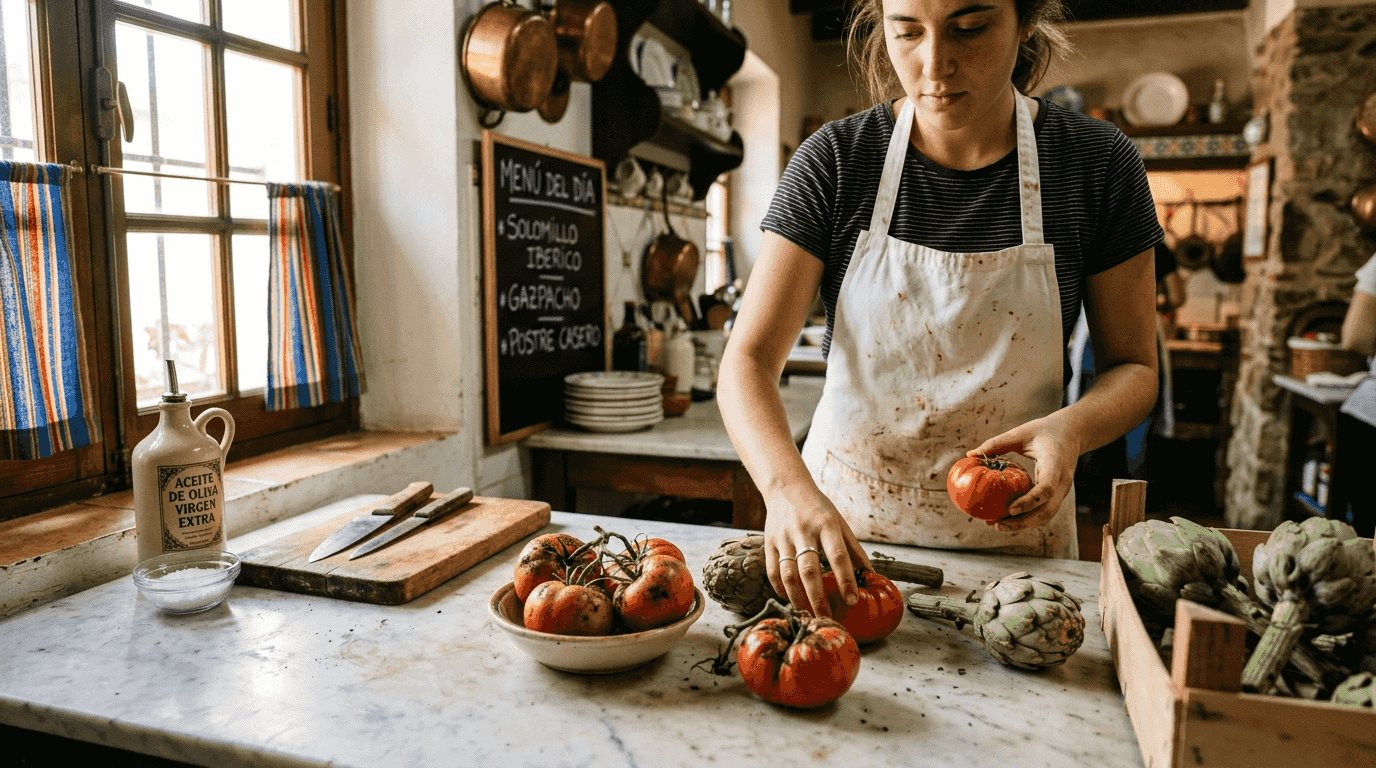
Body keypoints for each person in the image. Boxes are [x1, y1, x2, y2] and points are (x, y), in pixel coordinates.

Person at [715, 0, 1162, 618]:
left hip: (1015, 562)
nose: (933, 64)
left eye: (970, 29)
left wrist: (1072, 428)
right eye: (907, 31)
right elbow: (748, 359)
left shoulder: (1096, 164)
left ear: (1024, 24)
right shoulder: (837, 160)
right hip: (841, 541)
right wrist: (787, 490)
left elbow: (1136, 367)